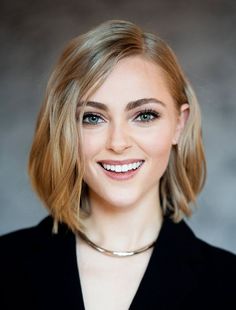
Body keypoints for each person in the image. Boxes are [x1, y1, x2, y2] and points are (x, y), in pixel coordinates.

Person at [0, 19, 235, 310]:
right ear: (65, 130)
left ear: (179, 124)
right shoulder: (6, 265)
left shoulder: (228, 283)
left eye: (145, 115)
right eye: (92, 117)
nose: (118, 142)